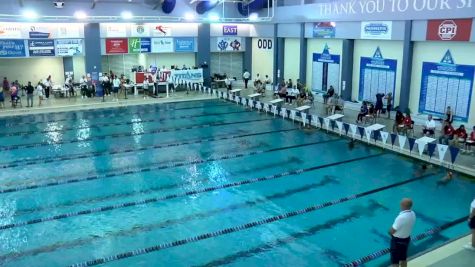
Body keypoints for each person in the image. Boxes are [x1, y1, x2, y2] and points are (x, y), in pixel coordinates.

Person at [389, 198, 416, 267]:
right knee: (403, 258)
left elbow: (391, 231)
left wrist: (390, 233)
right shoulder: (413, 213)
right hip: (406, 239)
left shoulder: (401, 217)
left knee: (395, 261)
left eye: (401, 204)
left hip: (397, 241)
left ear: (403, 206)